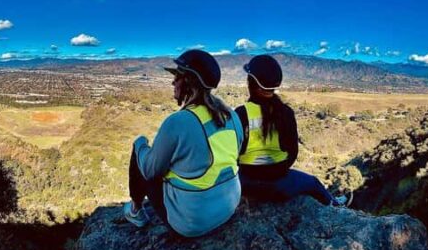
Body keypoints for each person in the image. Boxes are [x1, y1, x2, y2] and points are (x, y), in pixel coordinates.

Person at [124, 49, 244, 237]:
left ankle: (135, 211)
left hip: (191, 222)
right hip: (228, 207)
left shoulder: (178, 121)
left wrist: (141, 144)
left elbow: (149, 170)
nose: (173, 81)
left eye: (177, 76)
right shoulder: (232, 115)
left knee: (141, 150)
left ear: (188, 81)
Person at [235, 55, 350, 207]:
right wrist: (276, 172)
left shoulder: (240, 113)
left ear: (251, 82)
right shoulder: (286, 112)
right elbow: (292, 153)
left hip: (246, 184)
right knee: (313, 183)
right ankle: (334, 204)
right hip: (279, 185)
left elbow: (234, 154)